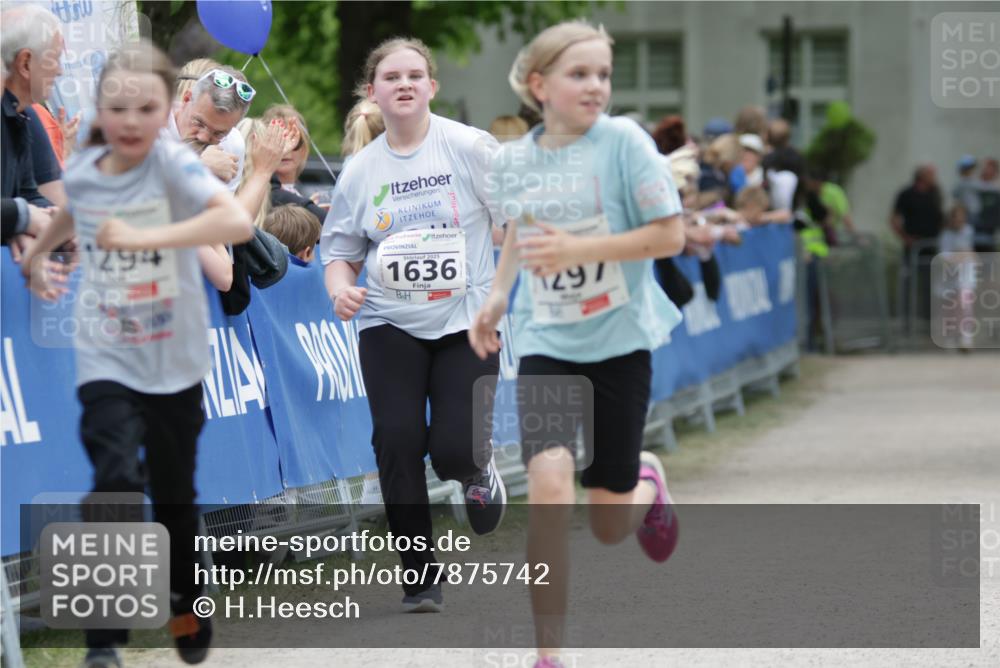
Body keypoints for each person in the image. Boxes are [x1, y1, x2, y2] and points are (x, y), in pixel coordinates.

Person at [19, 39, 253, 668]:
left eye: (143, 108)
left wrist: (154, 234)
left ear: (163, 111)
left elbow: (237, 225)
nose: (129, 120)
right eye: (117, 107)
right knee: (113, 480)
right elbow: (73, 215)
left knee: (174, 494)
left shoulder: (177, 169)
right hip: (108, 356)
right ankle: (103, 642)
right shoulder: (90, 170)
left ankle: (185, 598)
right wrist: (40, 260)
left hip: (174, 359)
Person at [468, 21, 684, 668]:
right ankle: (548, 653)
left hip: (620, 341)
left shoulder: (625, 144)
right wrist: (500, 294)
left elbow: (670, 235)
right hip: (548, 340)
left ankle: (646, 481)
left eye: (603, 75)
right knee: (550, 482)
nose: (597, 87)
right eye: (580, 74)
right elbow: (519, 234)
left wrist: (580, 250)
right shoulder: (514, 161)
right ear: (540, 85)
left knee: (610, 524)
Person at [321, 36, 507, 613]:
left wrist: (501, 290)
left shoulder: (470, 147)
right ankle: (419, 575)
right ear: (372, 92)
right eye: (390, 77)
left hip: (465, 318)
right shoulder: (360, 170)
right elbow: (338, 251)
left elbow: (513, 224)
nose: (403, 84)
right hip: (386, 320)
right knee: (397, 442)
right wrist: (340, 292)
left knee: (451, 451)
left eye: (414, 75)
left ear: (431, 86)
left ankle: (476, 467)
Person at [1, 4, 62, 256]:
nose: (60, 70)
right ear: (25, 63)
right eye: (55, 59)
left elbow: (27, 194)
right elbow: (22, 209)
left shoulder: (20, 115)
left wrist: (55, 220)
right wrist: (23, 218)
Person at [168, 61, 253, 192]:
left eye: (219, 134)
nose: (203, 137)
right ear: (186, 99)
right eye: (199, 123)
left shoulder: (233, 143)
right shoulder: (152, 126)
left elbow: (224, 211)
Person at [891, 164, 944, 323]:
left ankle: (929, 320)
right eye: (931, 174)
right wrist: (905, 238)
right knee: (909, 281)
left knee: (931, 284)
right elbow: (894, 218)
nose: (934, 178)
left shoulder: (935, 194)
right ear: (922, 176)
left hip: (931, 246)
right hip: (913, 247)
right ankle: (907, 320)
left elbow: (940, 217)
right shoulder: (906, 194)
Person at [259, 104, 327, 222]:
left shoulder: (301, 198)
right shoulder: (259, 195)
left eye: (295, 140)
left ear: (304, 149)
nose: (287, 149)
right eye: (279, 140)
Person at [974, 157, 999, 251]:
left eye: (988, 167)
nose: (984, 170)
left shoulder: (996, 187)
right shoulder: (975, 185)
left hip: (992, 227)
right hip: (976, 225)